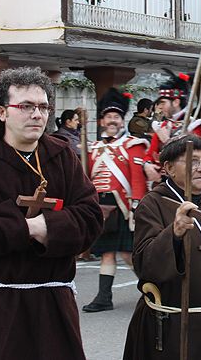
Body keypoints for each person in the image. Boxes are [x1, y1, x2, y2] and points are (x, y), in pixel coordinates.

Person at [0, 67, 102, 360]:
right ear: (2, 112)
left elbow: (90, 218)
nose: (37, 114)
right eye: (26, 106)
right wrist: (27, 228)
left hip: (53, 301)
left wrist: (47, 226)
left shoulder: (61, 155)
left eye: (43, 107)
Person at [123, 135, 201, 359]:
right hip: (170, 328)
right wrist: (174, 234)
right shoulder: (152, 204)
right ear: (169, 168)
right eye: (193, 161)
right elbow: (145, 265)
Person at [83, 88, 149, 313]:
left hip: (124, 205)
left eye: (117, 117)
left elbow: (137, 179)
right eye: (109, 117)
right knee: (107, 253)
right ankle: (104, 298)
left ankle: (152, 287)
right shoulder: (92, 148)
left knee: (128, 254)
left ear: (122, 121)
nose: (113, 121)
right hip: (101, 207)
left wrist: (137, 205)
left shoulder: (133, 145)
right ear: (102, 121)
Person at [143, 72, 192, 183]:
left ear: (175, 102)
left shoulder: (194, 125)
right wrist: (147, 165)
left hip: (185, 184)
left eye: (163, 103)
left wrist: (167, 140)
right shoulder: (163, 126)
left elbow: (191, 157)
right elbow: (150, 155)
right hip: (164, 183)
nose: (160, 107)